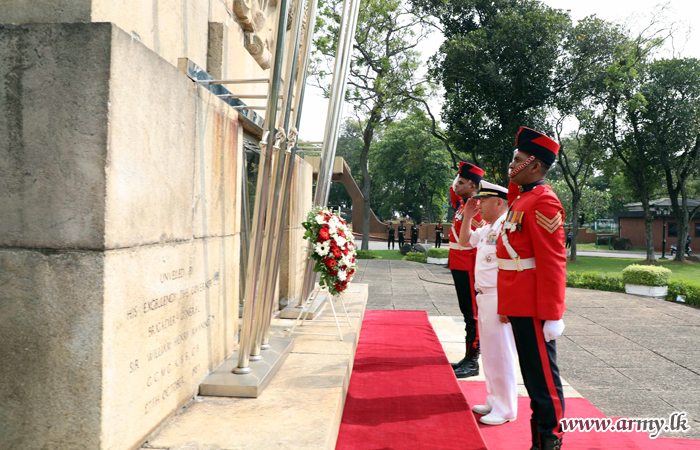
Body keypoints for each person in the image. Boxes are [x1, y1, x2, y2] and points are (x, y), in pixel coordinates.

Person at [497, 127, 567, 450]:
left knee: (543, 380)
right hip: (519, 302)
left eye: (518, 160)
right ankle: (538, 441)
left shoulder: (544, 202)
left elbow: (552, 262)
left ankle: (550, 439)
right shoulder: (522, 199)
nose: (511, 166)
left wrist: (553, 314)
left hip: (535, 307)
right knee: (532, 376)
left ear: (535, 165)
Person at [459, 181, 518, 426]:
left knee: (502, 353)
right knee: (491, 354)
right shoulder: (488, 228)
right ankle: (495, 399)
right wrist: (467, 218)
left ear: (499, 203)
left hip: (498, 297)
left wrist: (507, 303)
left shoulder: (507, 227)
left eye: (483, 201)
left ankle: (506, 408)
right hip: (485, 295)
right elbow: (465, 242)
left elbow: (512, 268)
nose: (479, 204)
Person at [448, 161, 485, 378]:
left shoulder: (476, 208)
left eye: (461, 182)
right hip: (458, 264)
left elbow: (476, 240)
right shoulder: (464, 205)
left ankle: (473, 360)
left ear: (472, 185)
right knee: (466, 312)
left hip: (468, 266)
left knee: (473, 314)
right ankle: (467, 356)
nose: (456, 185)